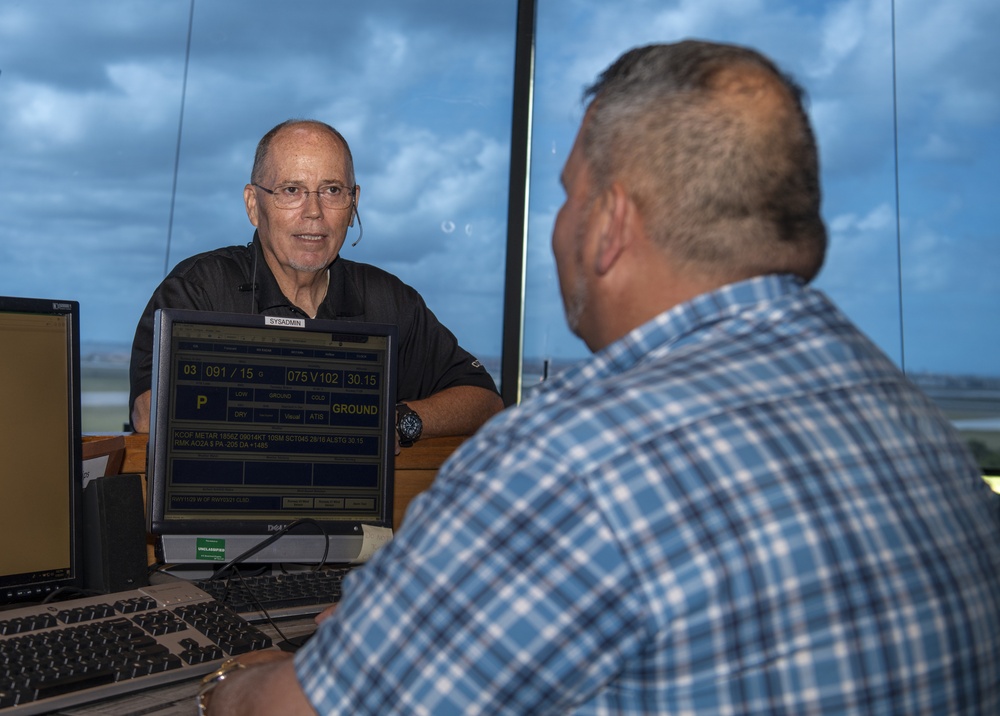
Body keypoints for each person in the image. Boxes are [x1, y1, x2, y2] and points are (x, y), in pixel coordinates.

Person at [203, 41, 1000, 714]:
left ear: (611, 223)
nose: (558, 228)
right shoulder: (921, 428)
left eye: (565, 197)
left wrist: (228, 681)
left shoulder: (570, 461)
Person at [129, 119, 503, 443]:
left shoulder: (389, 300)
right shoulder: (198, 290)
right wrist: (317, 418)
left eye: (332, 190)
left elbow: (485, 402)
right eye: (291, 190)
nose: (313, 212)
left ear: (354, 203)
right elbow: (147, 415)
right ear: (253, 204)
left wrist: (395, 421)